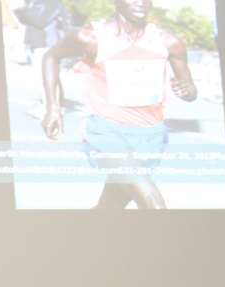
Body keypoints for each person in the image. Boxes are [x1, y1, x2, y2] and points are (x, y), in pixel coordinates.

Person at [41, 0, 198, 209]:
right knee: (154, 205)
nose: (140, 2)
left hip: (151, 136)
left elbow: (191, 90)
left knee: (108, 209)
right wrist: (52, 108)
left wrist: (187, 91)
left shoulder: (168, 42)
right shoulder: (90, 37)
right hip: (108, 133)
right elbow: (51, 57)